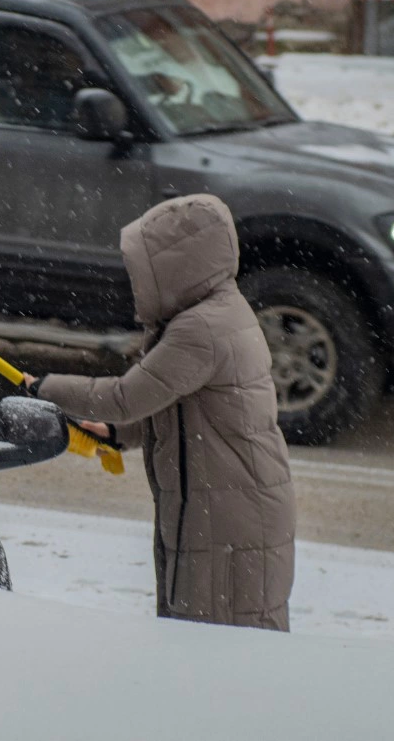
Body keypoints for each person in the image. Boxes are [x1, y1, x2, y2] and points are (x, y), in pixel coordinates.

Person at [25, 194, 295, 631]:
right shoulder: (220, 312)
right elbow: (181, 406)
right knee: (213, 635)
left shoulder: (201, 329)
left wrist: (44, 388)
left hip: (228, 521)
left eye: (143, 270)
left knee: (214, 646)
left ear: (179, 266)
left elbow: (125, 397)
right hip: (228, 509)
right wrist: (120, 433)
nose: (136, 283)